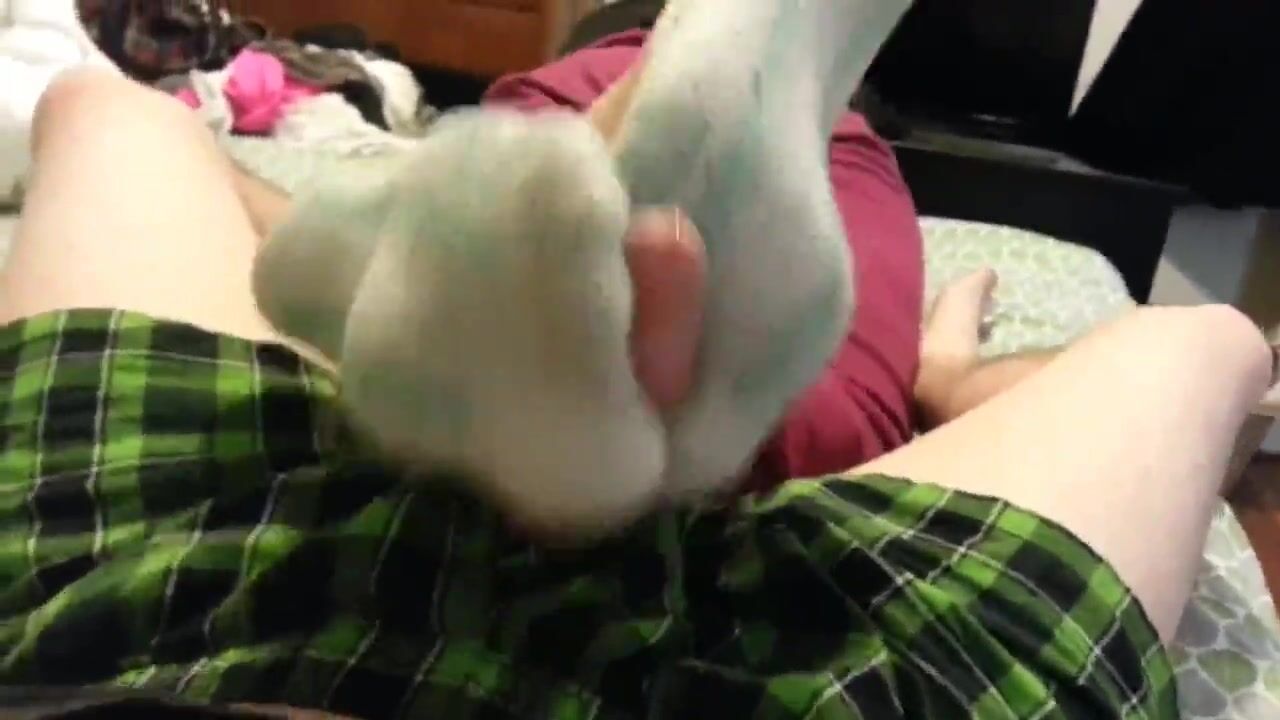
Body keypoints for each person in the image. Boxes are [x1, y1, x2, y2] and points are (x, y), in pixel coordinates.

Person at [0, 1, 1276, 718]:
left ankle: (450, 285)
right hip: (801, 660)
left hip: (180, 594)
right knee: (1203, 343)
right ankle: (855, 347)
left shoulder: (537, 90)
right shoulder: (854, 155)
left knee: (105, 108)